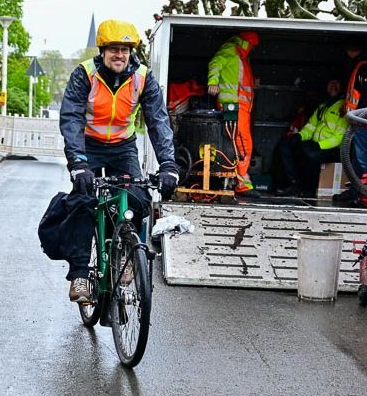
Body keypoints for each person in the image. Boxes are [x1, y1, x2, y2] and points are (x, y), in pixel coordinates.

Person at [59, 19, 179, 303]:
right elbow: (72, 117)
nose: (120, 55)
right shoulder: (85, 74)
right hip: (88, 146)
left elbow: (158, 121)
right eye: (113, 49)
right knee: (83, 202)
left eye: (125, 49)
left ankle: (124, 250)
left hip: (123, 148)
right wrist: (78, 163)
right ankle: (79, 275)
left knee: (137, 198)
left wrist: (169, 166)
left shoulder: (142, 77)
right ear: (102, 51)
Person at [273, 78, 347, 197]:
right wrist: (299, 136)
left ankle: (307, 190)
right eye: (330, 83)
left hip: (333, 149)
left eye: (336, 83)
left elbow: (341, 137)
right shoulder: (324, 106)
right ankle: (294, 184)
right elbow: (311, 127)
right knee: (285, 146)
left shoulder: (344, 107)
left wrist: (319, 145)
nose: (333, 86)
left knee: (311, 155)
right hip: (315, 144)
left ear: (342, 87)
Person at [206, 31, 259, 196]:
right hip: (233, 106)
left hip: (240, 107)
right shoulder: (232, 50)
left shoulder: (242, 57)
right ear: (246, 42)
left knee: (239, 143)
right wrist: (213, 81)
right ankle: (242, 183)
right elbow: (215, 63)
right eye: (252, 45)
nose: (252, 48)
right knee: (243, 144)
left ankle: (240, 180)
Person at [335, 47, 367, 206]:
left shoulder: (366, 67)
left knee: (363, 160)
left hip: (365, 120)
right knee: (357, 159)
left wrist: (357, 116)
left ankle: (365, 196)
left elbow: (365, 96)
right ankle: (355, 192)